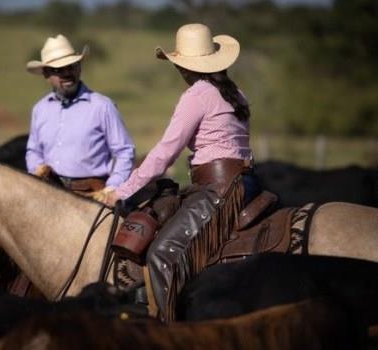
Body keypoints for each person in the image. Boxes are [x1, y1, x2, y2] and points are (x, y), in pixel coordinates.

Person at [101, 23, 261, 322]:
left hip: (220, 188)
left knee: (162, 253)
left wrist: (121, 191)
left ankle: (168, 330)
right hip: (246, 180)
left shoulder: (198, 95)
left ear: (183, 66)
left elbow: (164, 153)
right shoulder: (235, 91)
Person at [25, 34, 135, 194]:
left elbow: (125, 151)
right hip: (49, 191)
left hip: (92, 192)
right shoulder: (40, 109)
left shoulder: (102, 106)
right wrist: (37, 172)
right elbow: (33, 151)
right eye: (59, 70)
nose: (67, 73)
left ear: (79, 68)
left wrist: (112, 187)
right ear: (46, 74)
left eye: (71, 66)